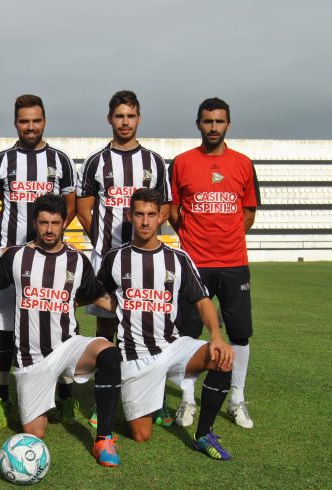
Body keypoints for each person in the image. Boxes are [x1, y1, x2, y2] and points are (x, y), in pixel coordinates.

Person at [0, 194, 123, 467]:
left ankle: (104, 437)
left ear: (64, 223)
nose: (49, 229)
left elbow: (98, 296)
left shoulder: (77, 261)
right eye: (43, 222)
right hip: (31, 360)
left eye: (55, 223)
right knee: (35, 434)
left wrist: (132, 309)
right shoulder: (18, 257)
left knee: (110, 355)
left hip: (68, 347)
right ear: (35, 222)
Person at [97, 188, 235, 459]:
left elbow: (203, 301)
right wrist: (120, 307)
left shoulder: (178, 259)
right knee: (141, 435)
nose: (145, 222)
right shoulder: (116, 258)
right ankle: (152, 396)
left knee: (222, 356)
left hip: (172, 347)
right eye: (139, 214)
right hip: (135, 357)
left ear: (161, 216)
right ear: (130, 216)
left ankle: (203, 434)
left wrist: (216, 336)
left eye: (151, 215)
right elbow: (93, 293)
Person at [76, 90, 172, 427]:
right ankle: (104, 397)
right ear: (110, 119)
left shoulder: (154, 162)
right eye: (119, 116)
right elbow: (84, 209)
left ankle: (152, 399)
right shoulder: (96, 162)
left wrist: (145, 238)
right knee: (106, 327)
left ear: (139, 118)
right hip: (107, 259)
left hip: (146, 259)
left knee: (151, 328)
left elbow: (165, 207)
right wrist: (104, 244)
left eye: (130, 116)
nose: (125, 122)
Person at [0, 94, 77, 427]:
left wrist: (48, 237)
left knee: (57, 328)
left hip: (52, 259)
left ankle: (64, 397)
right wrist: (14, 236)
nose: (30, 126)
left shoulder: (60, 161)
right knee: (5, 329)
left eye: (36, 120)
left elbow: (71, 205)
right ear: (16, 123)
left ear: (44, 122)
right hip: (11, 256)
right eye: (24, 121)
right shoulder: (1, 161)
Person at [168, 98, 260, 429]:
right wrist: (192, 238)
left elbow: (248, 212)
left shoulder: (244, 164)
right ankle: (187, 400)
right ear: (198, 124)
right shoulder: (181, 163)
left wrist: (228, 235)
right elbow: (174, 209)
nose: (213, 127)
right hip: (195, 264)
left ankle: (237, 398)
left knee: (240, 334)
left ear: (228, 125)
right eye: (207, 121)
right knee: (189, 333)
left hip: (234, 263)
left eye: (219, 121)